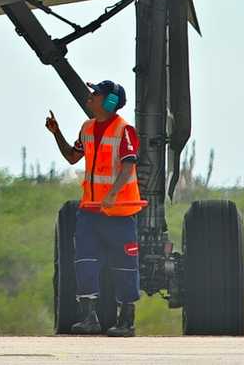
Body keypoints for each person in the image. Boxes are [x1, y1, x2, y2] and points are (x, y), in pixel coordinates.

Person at [45, 79, 147, 337]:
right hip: (90, 211)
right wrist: (56, 133)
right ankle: (89, 317)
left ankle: (126, 321)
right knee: (85, 263)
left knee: (124, 266)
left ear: (110, 101)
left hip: (119, 213)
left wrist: (112, 194)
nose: (90, 97)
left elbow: (128, 165)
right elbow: (72, 156)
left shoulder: (124, 130)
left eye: (96, 94)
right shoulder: (87, 128)